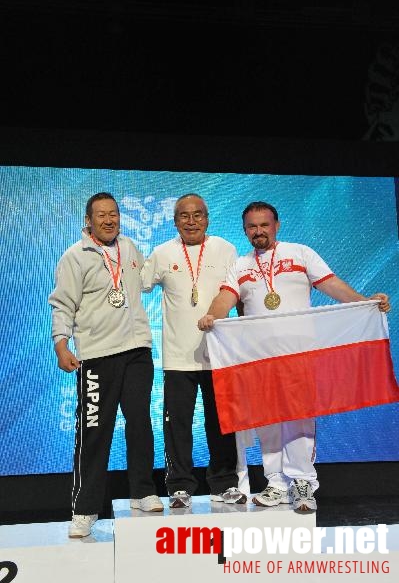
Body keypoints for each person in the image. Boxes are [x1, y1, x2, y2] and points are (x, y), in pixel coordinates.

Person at [198, 201, 390, 513]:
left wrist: (363, 301)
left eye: (264, 225)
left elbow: (331, 284)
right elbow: (225, 298)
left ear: (277, 225)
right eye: (252, 226)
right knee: (268, 419)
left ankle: (302, 481)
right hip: (260, 357)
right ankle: (275, 483)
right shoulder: (241, 266)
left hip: (300, 354)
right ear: (245, 229)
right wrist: (212, 315)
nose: (258, 231)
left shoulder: (300, 253)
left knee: (300, 418)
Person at [49, 192, 163, 538]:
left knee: (140, 423)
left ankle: (143, 492)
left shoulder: (129, 248)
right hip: (97, 356)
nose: (109, 220)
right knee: (94, 432)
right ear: (89, 220)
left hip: (137, 351)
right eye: (101, 215)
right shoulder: (74, 256)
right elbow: (62, 303)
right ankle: (84, 509)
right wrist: (60, 344)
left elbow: (144, 281)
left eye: (113, 214)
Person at [140, 193, 246, 508]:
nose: (191, 221)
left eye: (197, 215)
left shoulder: (225, 249)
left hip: (219, 355)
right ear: (175, 221)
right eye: (184, 216)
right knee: (177, 426)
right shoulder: (161, 253)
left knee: (222, 423)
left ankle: (224, 484)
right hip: (177, 357)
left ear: (207, 218)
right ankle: (179, 487)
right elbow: (137, 285)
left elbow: (237, 294)